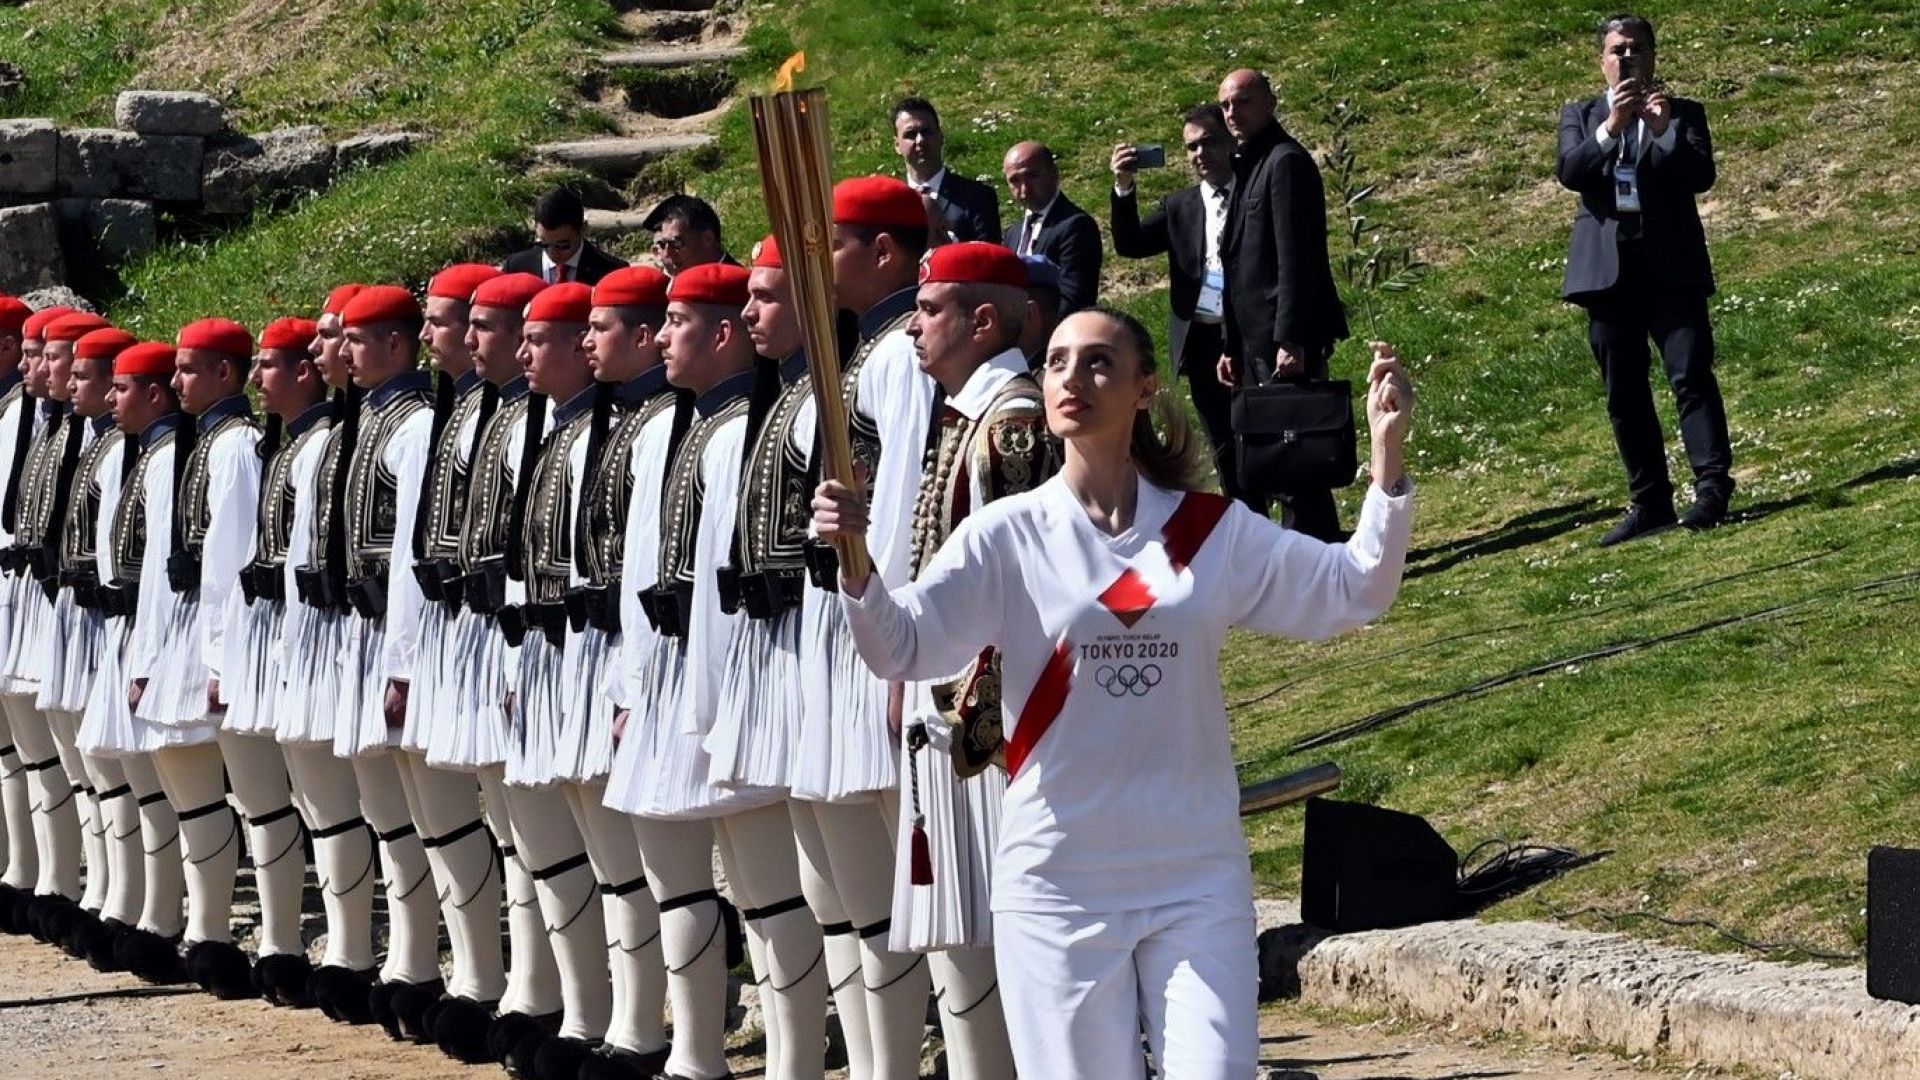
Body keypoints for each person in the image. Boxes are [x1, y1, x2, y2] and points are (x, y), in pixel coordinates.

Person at [817, 308, 1415, 1079]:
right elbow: (903, 646)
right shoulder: (1009, 535)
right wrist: (855, 568)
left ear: (1144, 388)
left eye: (1100, 362)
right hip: (1059, 881)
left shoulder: (1211, 532)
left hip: (1194, 873)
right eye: (1059, 361)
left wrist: (1389, 465)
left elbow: (1355, 588)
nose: (1073, 378)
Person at [605, 262, 828, 1080]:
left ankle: (791, 1062)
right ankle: (692, 1054)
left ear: (724, 332)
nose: (661, 336)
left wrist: (713, 703)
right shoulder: (687, 425)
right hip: (670, 674)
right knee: (674, 877)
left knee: (770, 890)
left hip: (726, 676)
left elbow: (722, 583)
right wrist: (633, 687)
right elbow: (646, 570)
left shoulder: (740, 429)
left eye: (676, 321)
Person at [125, 318, 274, 1000]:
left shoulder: (236, 445)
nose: (176, 382)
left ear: (224, 373)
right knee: (188, 790)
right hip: (181, 630)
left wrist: (220, 660)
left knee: (249, 797)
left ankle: (235, 935)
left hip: (216, 633)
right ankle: (203, 929)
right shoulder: (199, 442)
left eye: (189, 369)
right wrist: (148, 655)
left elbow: (230, 562)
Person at [1557, 12, 1733, 544]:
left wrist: (1660, 129)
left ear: (1653, 54)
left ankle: (1711, 489)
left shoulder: (1683, 114)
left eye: (1636, 48)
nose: (1626, 57)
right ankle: (1650, 499)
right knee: (1624, 391)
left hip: (1670, 266)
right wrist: (1612, 129)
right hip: (1607, 273)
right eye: (1616, 50)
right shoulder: (1582, 113)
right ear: (1601, 60)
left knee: (1690, 376)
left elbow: (1700, 174)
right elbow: (1571, 171)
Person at [395, 262, 513, 1049]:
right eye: (446, 322)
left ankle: (515, 988)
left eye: (464, 320)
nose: (453, 336)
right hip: (447, 626)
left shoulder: (499, 414)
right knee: (452, 818)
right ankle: (477, 978)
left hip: (507, 635)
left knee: (524, 831)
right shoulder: (458, 410)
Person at [569, 265, 679, 1080]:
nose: (582, 345)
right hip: (582, 650)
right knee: (585, 856)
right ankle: (598, 1015)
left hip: (657, 658)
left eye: (596, 330)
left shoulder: (670, 425)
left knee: (657, 867)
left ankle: (656, 1032)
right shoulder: (615, 422)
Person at [332, 286, 446, 1034]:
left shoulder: (412, 424)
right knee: (387, 812)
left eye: (359, 340)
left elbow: (408, 554)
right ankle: (405, 962)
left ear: (397, 346)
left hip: (395, 628)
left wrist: (403, 656)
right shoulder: (373, 418)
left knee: (424, 817)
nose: (344, 354)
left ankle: (428, 967)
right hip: (359, 626)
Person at [217, 316, 331, 1005]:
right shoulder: (284, 444)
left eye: (270, 365)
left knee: (332, 807)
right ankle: (283, 942)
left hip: (314, 634)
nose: (261, 378)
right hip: (276, 633)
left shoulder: (299, 443)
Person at [279, 285, 380, 1025]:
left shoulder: (396, 426)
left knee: (405, 818)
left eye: (335, 336)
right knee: (350, 808)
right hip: (326, 630)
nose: (325, 351)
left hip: (386, 634)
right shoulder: (337, 432)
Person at [79, 339, 189, 983]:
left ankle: (172, 919)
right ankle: (129, 902)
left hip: (157, 630)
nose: (110, 398)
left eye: (121, 387)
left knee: (167, 784)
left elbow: (167, 568)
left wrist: (153, 650)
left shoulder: (173, 454)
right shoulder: (141, 452)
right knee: (115, 771)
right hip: (117, 622)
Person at [1217, 68, 1349, 539]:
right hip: (1254, 338)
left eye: (1243, 102)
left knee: (1297, 450)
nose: (1233, 113)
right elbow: (1237, 263)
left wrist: (1291, 337)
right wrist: (1230, 343)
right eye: (1227, 106)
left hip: (1283, 336)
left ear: (1270, 103)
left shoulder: (1285, 161)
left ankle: (1313, 551)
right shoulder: (1250, 162)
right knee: (1281, 452)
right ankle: (1314, 548)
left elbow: (1298, 259)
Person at [1111, 103, 1255, 510]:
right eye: (1191, 147)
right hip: (1203, 338)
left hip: (1250, 331)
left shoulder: (1253, 190)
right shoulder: (1181, 206)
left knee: (1264, 432)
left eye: (1208, 142)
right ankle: (1244, 523)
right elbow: (1131, 244)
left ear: (1228, 142)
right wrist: (1124, 187)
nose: (1200, 154)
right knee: (1223, 441)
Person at [1002, 141, 1102, 313]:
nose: (1024, 189)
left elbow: (1075, 299)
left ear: (1054, 173)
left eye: (1033, 176)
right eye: (1015, 181)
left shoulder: (1076, 226)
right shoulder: (1013, 233)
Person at [894, 97, 1002, 243]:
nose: (920, 140)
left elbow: (988, 258)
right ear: (897, 145)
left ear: (941, 137)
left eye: (926, 132)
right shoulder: (891, 203)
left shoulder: (978, 197)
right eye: (910, 134)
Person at [504, 187, 630, 286]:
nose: (552, 253)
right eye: (543, 243)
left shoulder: (612, 272)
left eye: (562, 245)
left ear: (583, 230)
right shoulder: (516, 268)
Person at [641, 193, 733, 277]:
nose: (668, 252)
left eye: (676, 243)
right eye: (663, 244)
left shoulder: (739, 287)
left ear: (707, 238)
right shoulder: (673, 284)